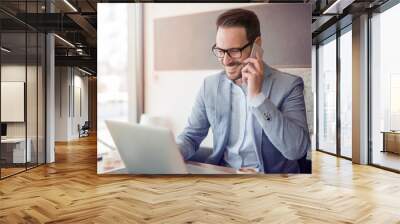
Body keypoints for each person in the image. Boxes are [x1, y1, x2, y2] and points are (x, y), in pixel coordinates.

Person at [176, 8, 310, 173]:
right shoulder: (209, 86)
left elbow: (296, 150)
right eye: (220, 51)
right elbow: (190, 137)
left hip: (272, 185)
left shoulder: (289, 85)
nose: (226, 60)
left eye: (234, 51)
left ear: (257, 45)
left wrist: (257, 98)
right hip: (224, 178)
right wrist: (171, 154)